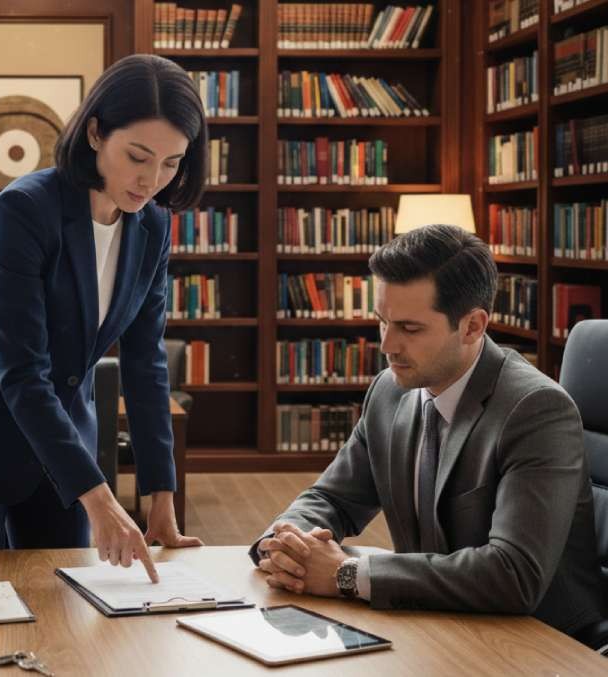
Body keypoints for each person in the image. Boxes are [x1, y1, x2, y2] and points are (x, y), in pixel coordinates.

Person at [0, 54, 207, 577]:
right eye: (137, 156)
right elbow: (22, 373)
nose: (152, 179)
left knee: (66, 601)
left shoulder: (153, 225)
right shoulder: (22, 212)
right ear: (94, 133)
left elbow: (145, 361)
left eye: (172, 162)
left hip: (62, 443)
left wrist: (160, 490)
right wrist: (103, 501)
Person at [250, 224, 606, 639]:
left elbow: (514, 574)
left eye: (410, 328)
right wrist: (283, 544)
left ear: (472, 326)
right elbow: (332, 497)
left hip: (536, 641)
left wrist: (347, 574)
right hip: (432, 622)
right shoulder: (390, 391)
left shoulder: (536, 410)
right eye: (382, 321)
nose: (387, 344)